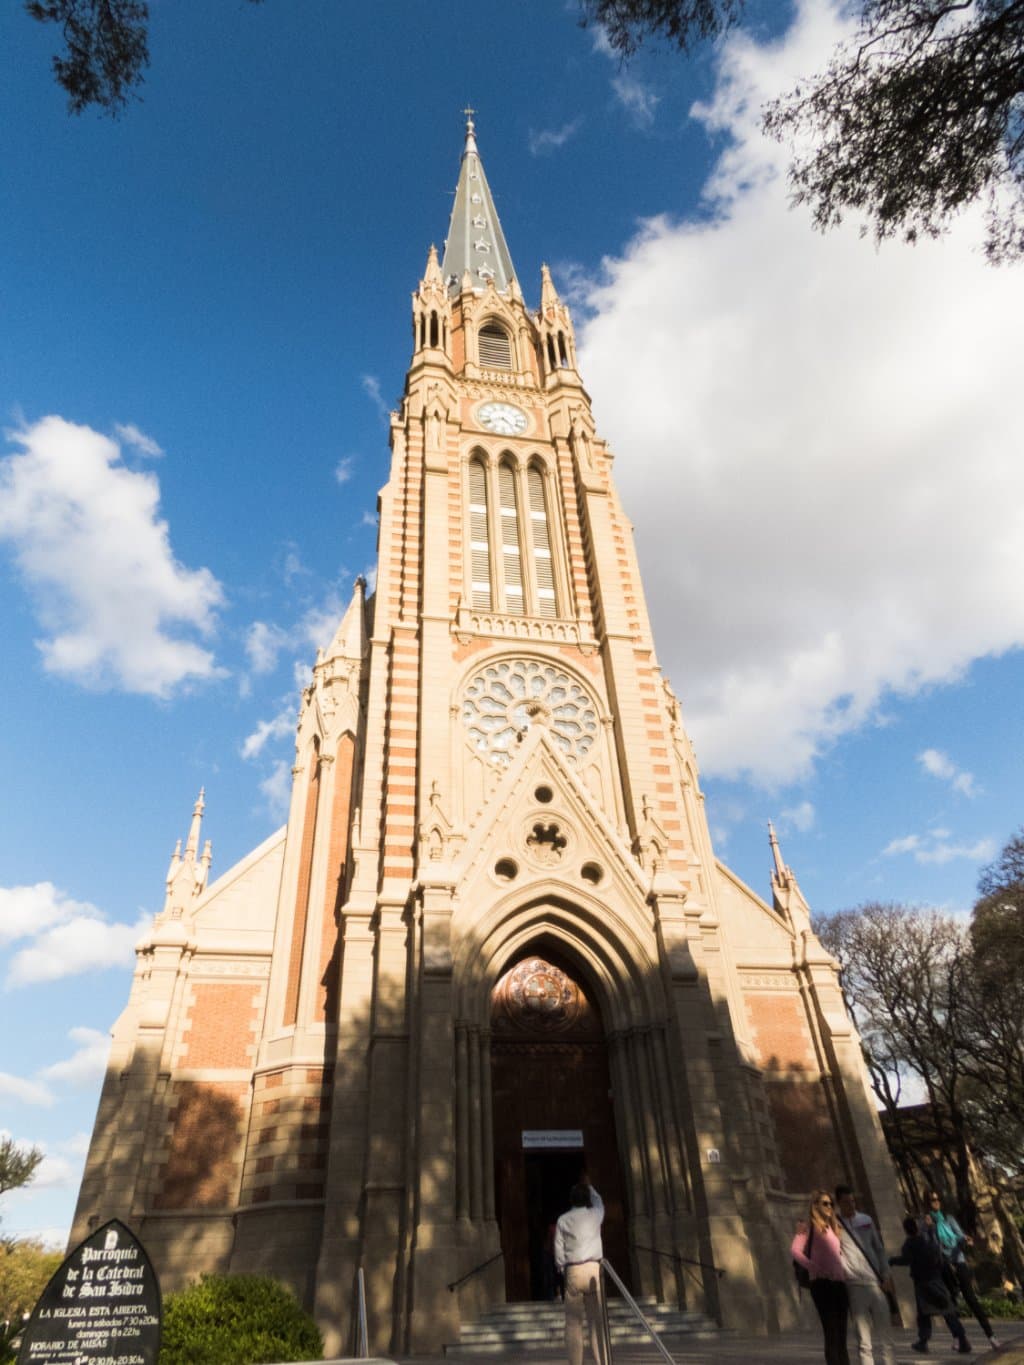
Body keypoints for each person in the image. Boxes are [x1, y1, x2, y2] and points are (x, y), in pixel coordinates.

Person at [926, 1191, 1002, 1352]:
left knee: (971, 1299)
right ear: (927, 1202)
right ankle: (960, 1338)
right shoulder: (926, 1224)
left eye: (938, 1199)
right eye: (933, 1200)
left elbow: (959, 1235)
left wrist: (965, 1239)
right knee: (948, 1304)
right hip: (944, 1266)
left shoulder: (948, 1219)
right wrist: (931, 1229)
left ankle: (991, 1335)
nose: (936, 1202)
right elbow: (931, 1247)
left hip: (958, 1261)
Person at [889, 1214, 972, 1355]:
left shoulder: (910, 1244)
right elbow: (938, 1257)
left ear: (906, 1230)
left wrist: (892, 1261)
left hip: (922, 1283)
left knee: (924, 1315)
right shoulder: (928, 1240)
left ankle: (924, 1342)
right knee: (947, 1312)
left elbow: (906, 1259)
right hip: (935, 1280)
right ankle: (961, 1339)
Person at [834, 1185, 896, 1365]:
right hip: (854, 1286)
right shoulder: (836, 1225)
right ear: (839, 1203)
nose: (851, 1205)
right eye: (846, 1202)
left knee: (886, 1336)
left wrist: (885, 1274)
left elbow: (879, 1248)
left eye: (852, 1201)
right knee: (863, 1340)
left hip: (876, 1283)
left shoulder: (866, 1220)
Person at [792, 1189, 850, 1365]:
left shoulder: (834, 1228)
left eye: (831, 1204)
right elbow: (795, 1250)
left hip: (839, 1284)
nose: (829, 1207)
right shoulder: (808, 1228)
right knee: (831, 1332)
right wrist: (814, 1267)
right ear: (815, 1205)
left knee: (842, 1334)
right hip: (822, 1284)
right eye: (825, 1203)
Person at [554, 1175, 607, 1365]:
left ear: (571, 1200)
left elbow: (559, 1249)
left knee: (573, 1324)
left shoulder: (563, 1220)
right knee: (597, 1322)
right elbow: (599, 1202)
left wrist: (562, 1268)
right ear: (587, 1199)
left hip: (574, 1271)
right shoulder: (595, 1214)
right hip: (594, 1269)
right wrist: (590, 1186)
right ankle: (602, 1361)